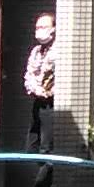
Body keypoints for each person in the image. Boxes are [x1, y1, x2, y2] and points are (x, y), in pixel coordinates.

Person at [21, 12, 60, 149]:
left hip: (52, 102)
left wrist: (50, 91)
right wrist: (36, 89)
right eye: (37, 28)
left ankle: (47, 169)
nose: (39, 31)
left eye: (43, 27)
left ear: (54, 28)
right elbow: (29, 74)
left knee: (46, 146)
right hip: (38, 101)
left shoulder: (60, 50)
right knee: (31, 144)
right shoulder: (36, 51)